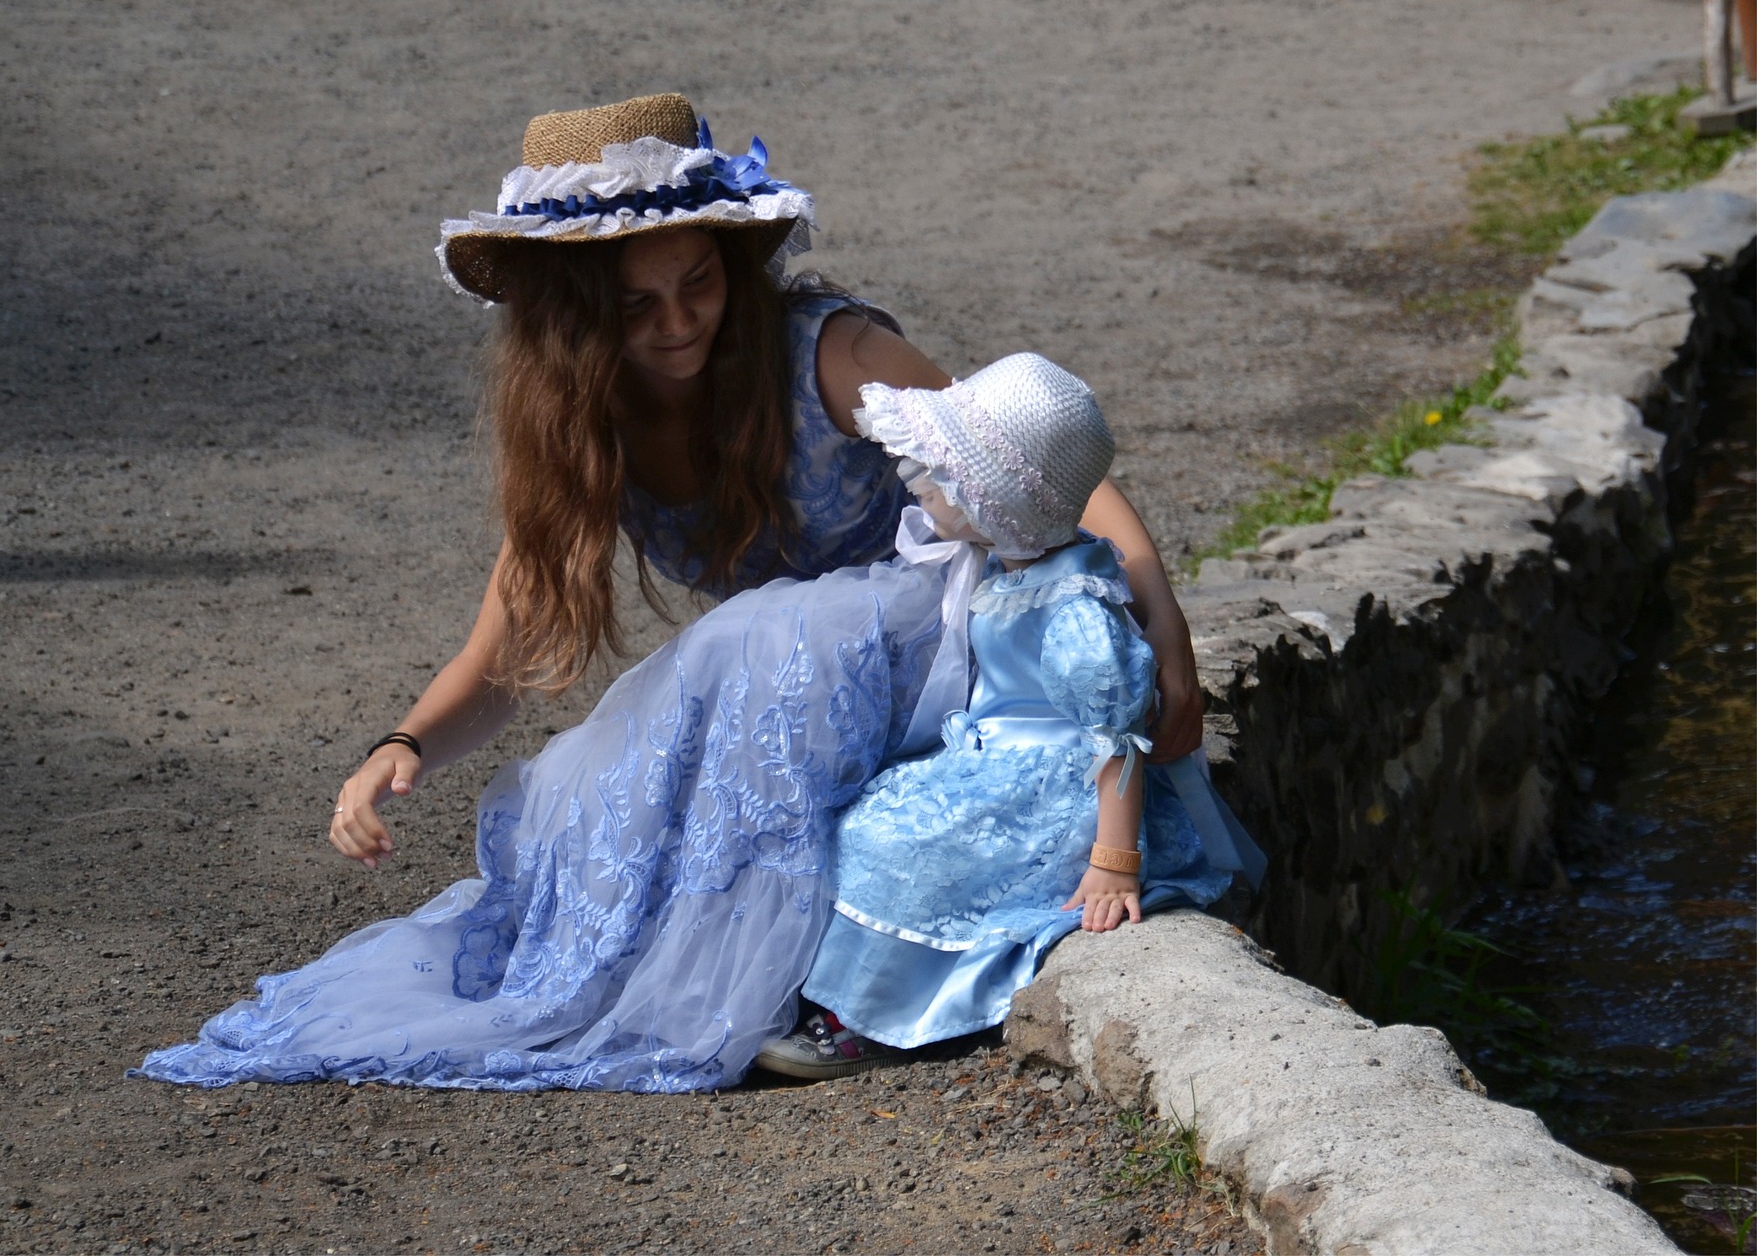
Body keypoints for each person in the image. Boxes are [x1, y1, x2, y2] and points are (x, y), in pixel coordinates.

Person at [131, 93, 1205, 1092]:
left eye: (699, 282)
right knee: (615, 794)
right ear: (572, 317)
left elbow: (1033, 467)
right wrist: (401, 744)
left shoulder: (822, 350)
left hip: (947, 641)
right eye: (636, 303)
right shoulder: (585, 424)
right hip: (796, 697)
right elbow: (506, 646)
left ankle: (835, 986)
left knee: (746, 644)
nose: (681, 320)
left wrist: (1168, 644)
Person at [756, 354, 1267, 1080]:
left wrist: (1114, 862)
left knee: (911, 851)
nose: (920, 483)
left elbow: (1116, 741)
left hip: (1052, 791)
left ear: (996, 504)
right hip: (990, 761)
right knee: (866, 822)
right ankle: (836, 993)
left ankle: (871, 1018)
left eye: (941, 475)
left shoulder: (1075, 613)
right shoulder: (1015, 565)